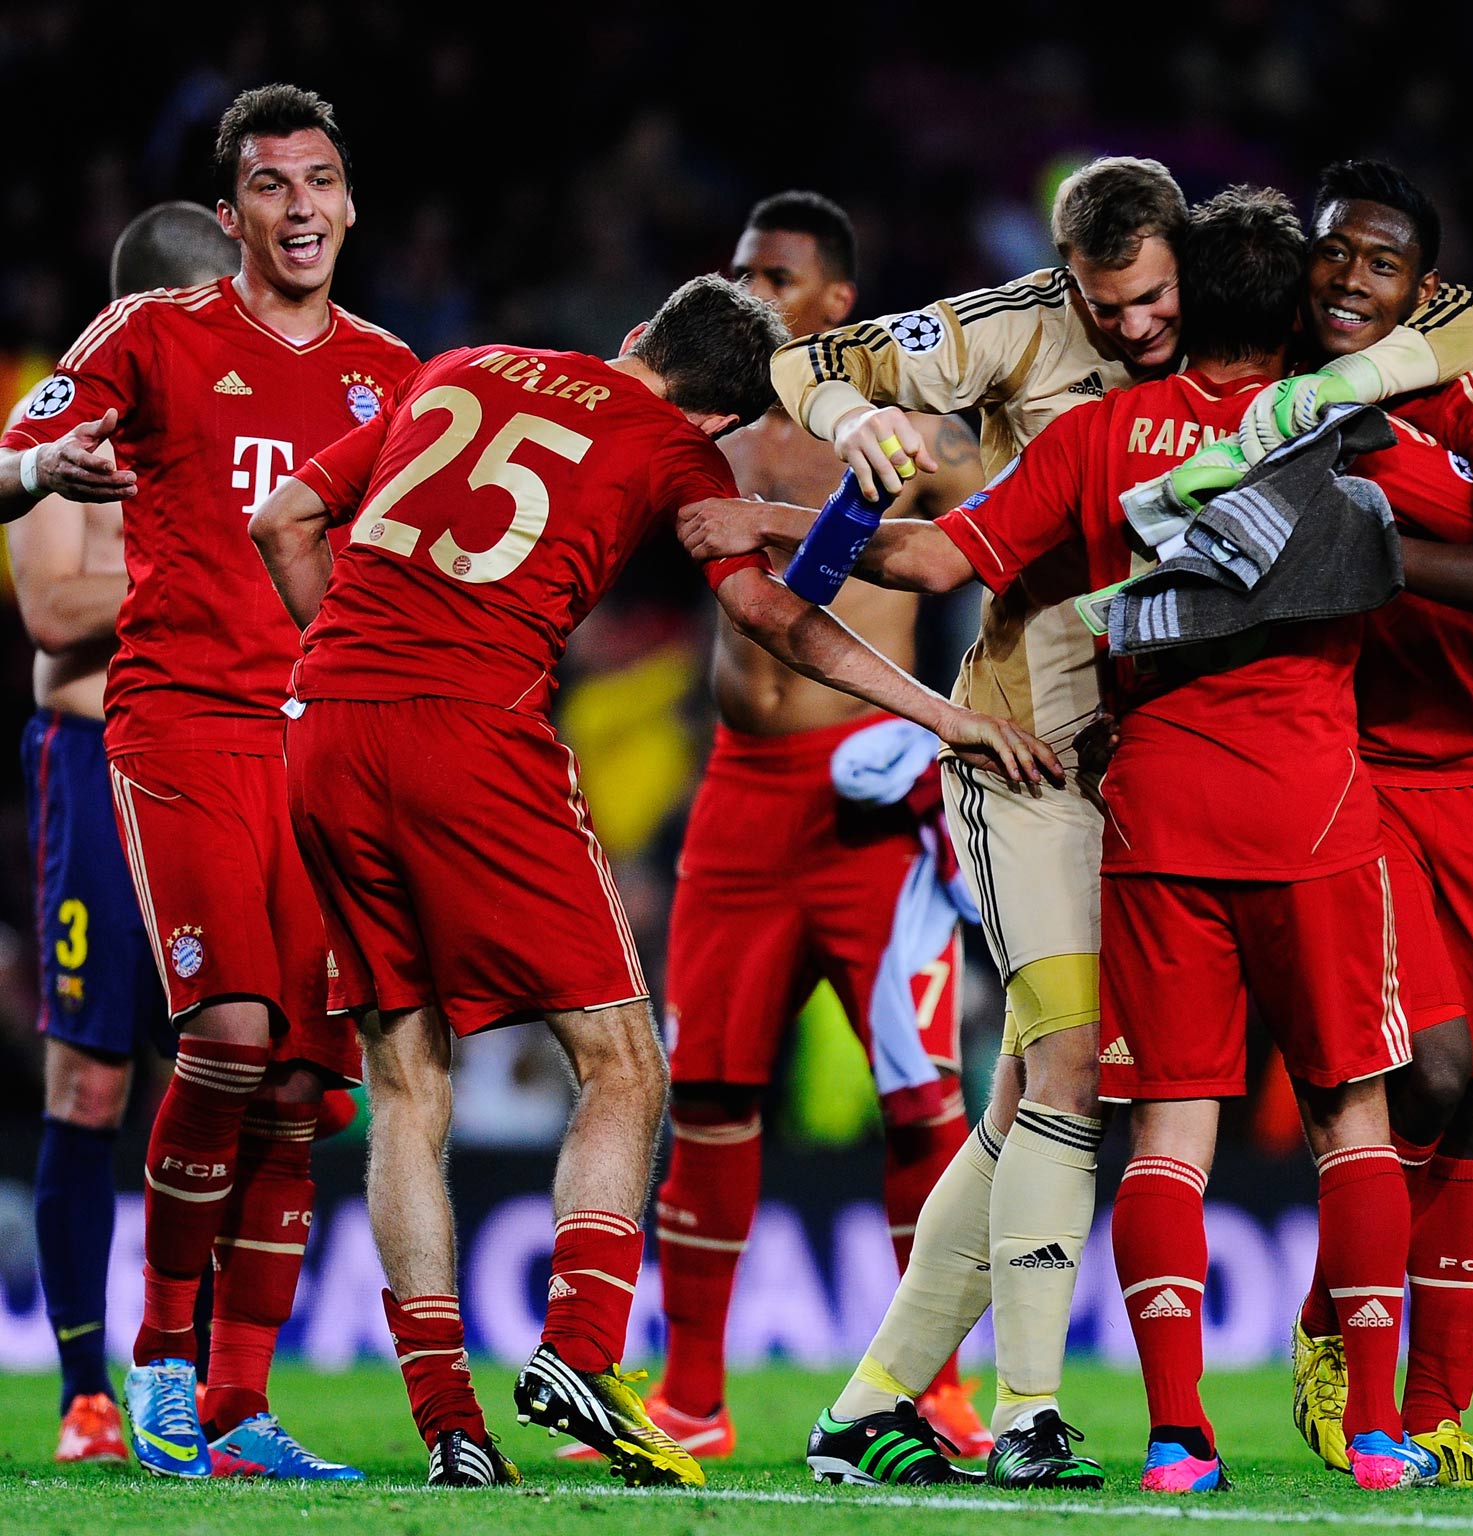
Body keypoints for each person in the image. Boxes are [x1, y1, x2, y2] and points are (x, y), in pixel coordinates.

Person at [683, 186, 1473, 1496]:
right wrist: (840, 447)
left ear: (1196, 281)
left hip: (1143, 785)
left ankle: (874, 1402)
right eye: (1107, 302)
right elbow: (833, 390)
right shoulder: (1054, 347)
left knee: (1029, 1100)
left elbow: (1465, 319)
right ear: (1071, 278)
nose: (1129, 323)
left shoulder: (1163, 416)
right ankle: (1028, 1413)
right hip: (1032, 760)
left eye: (1155, 302)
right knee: (1075, 1076)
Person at [248, 275, 1058, 1490]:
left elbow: (285, 520)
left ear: (637, 338)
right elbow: (777, 620)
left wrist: (353, 669)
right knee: (624, 1064)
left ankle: (451, 1431)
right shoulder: (680, 453)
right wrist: (942, 713)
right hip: (470, 730)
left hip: (320, 727)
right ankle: (579, 1344)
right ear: (725, 420)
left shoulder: (460, 361)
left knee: (404, 1079)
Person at [0, 84, 417, 1481]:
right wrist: (33, 468)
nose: (300, 208)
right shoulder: (156, 334)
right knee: (229, 1036)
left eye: (321, 183)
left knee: (303, 1088)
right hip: (180, 726)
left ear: (349, 204)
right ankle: (160, 1364)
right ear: (232, 214)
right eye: (271, 186)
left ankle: (241, 1407)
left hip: (326, 745)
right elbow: (16, 460)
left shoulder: (395, 376)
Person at [649, 191, 991, 1464]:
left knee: (919, 1103)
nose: (749, 287)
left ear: (837, 301)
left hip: (872, 795)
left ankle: (933, 1387)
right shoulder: (707, 436)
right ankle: (690, 1399)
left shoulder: (924, 437)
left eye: (775, 274)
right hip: (738, 798)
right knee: (709, 1097)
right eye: (737, 267)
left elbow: (1001, 524)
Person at [1265, 160, 1473, 1488]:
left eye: (1379, 263)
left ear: (1421, 290)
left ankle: (1433, 1416)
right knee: (1426, 1075)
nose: (1348, 277)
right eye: (1332, 253)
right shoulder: (1270, 398)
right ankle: (1352, 1360)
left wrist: (1374, 540)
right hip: (1354, 778)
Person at [9, 201, 237, 1465]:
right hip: (96, 760)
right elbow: (49, 608)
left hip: (221, 761)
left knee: (221, 1070)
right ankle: (85, 1393)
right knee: (92, 1082)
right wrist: (201, 573)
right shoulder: (65, 414)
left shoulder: (245, 425)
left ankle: (191, 1380)